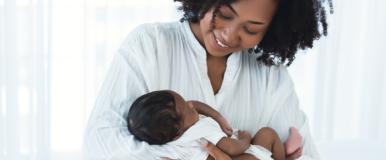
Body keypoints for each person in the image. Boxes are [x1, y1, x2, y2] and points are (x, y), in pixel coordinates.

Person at [84, 0, 331, 159]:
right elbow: (101, 144)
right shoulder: (150, 45)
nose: (229, 34)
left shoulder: (270, 75)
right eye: (224, 13)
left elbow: (308, 154)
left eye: (252, 29)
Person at [127, 90, 301, 160]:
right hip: (242, 156)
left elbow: (194, 104)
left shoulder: (169, 140)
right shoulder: (201, 130)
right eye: (187, 109)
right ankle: (283, 156)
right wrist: (245, 138)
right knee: (267, 133)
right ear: (179, 129)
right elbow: (233, 149)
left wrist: (218, 117)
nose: (190, 104)